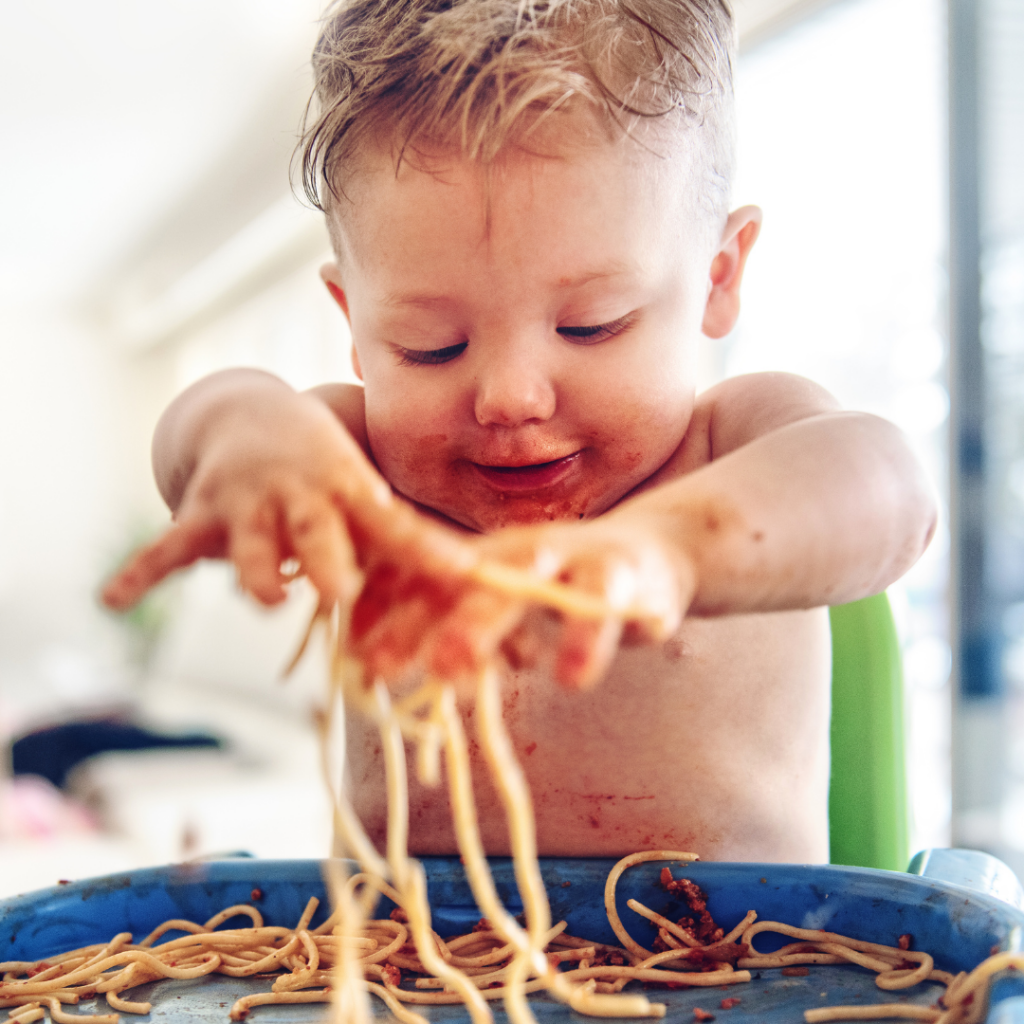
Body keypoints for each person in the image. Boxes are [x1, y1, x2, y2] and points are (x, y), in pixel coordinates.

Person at [103, 0, 936, 863]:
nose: (509, 397)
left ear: (718, 277)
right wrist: (246, 434)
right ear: (354, 326)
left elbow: (890, 492)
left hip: (732, 974)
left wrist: (673, 551)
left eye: (592, 325)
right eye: (432, 347)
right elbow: (198, 441)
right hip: (405, 975)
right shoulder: (357, 470)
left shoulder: (737, 445)